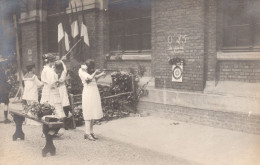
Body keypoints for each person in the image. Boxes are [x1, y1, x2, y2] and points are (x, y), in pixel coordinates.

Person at [78, 59, 106, 141]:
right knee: (88, 111)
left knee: (93, 111)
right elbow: (89, 79)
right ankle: (87, 133)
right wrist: (95, 72)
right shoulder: (81, 71)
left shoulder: (88, 71)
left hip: (94, 91)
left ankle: (91, 132)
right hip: (88, 92)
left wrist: (101, 74)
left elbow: (94, 79)